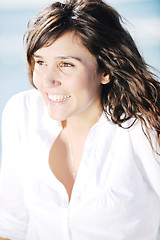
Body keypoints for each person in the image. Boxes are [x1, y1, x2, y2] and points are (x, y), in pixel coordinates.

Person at [0, 0, 160, 239]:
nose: (46, 80)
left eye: (66, 64)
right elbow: (10, 224)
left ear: (106, 70)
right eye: (41, 62)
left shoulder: (140, 127)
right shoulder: (21, 112)